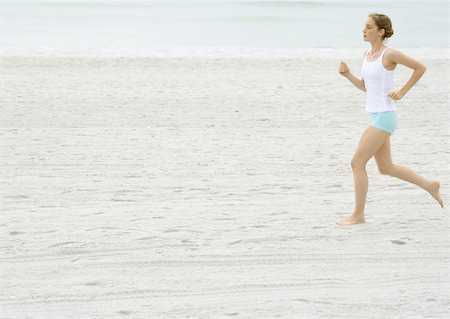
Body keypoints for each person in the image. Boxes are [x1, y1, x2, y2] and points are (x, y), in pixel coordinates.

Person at [336, 13, 444, 226]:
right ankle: (430, 185)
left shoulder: (390, 54)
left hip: (385, 117)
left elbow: (420, 67)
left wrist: (402, 92)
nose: (364, 30)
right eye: (364, 26)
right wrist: (347, 75)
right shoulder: (367, 54)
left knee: (357, 163)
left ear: (381, 31)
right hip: (375, 114)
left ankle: (358, 215)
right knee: (386, 168)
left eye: (368, 27)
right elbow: (365, 88)